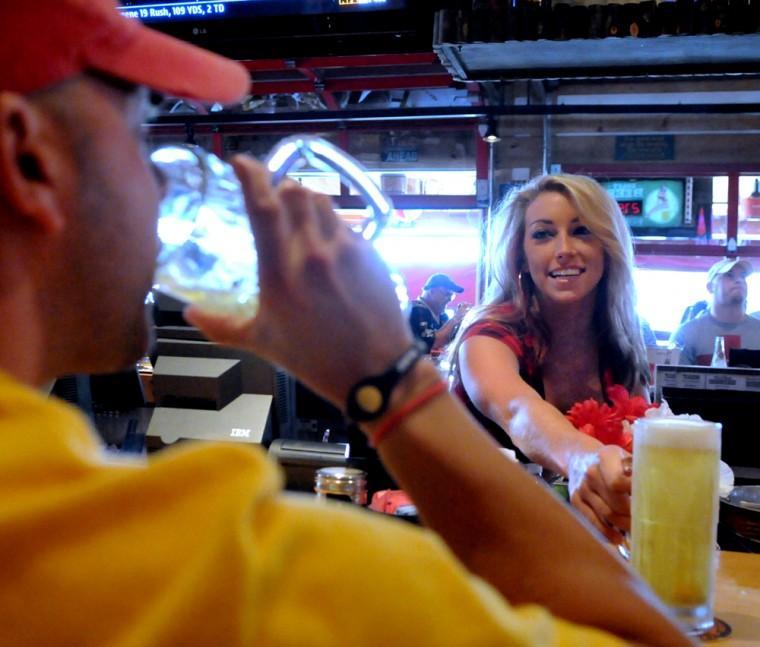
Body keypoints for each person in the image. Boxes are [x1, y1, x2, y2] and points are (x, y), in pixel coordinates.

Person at [0, 2, 690, 645]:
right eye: (136, 131)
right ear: (29, 161)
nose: (159, 185)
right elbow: (639, 634)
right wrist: (386, 376)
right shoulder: (214, 559)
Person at [449, 174, 651, 545]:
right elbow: (518, 409)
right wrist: (580, 460)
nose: (564, 249)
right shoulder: (489, 336)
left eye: (582, 231)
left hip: (585, 555)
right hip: (476, 543)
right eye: (543, 234)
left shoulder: (620, 347)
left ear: (608, 247)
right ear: (520, 255)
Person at [670, 257, 760, 365]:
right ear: (710, 287)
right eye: (729, 275)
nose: (739, 280)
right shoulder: (686, 334)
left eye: (743, 276)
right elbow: (672, 380)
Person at [408, 273, 471, 353]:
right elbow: (432, 342)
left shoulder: (442, 316)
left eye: (452, 296)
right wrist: (456, 318)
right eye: (447, 294)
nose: (449, 299)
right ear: (432, 291)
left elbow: (451, 341)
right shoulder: (415, 309)